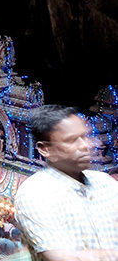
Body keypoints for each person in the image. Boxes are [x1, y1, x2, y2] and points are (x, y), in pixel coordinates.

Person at [15, 105, 118, 260]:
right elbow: (64, 258)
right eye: (72, 140)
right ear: (45, 149)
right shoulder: (35, 194)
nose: (85, 146)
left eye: (85, 136)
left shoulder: (106, 183)